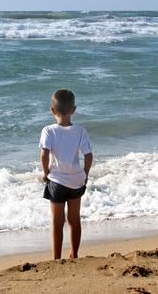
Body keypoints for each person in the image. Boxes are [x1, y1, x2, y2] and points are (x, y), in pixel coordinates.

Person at [40, 89, 93, 259]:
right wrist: (85, 173)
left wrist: (45, 172)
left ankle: (57, 258)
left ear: (52, 110)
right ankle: (74, 254)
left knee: (57, 222)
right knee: (74, 219)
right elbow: (88, 155)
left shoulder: (48, 130)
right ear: (73, 110)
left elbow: (44, 153)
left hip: (57, 180)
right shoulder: (80, 131)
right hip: (76, 180)